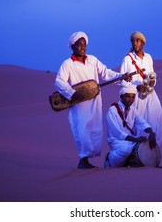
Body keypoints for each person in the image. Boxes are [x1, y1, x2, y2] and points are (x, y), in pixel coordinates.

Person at [54, 31, 131, 169]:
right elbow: (59, 82)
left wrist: (121, 76)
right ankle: (83, 160)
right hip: (78, 105)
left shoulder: (93, 60)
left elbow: (106, 73)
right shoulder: (67, 64)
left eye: (84, 45)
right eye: (79, 45)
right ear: (73, 46)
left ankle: (87, 160)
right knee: (82, 130)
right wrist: (72, 93)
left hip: (95, 101)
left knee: (95, 129)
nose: (82, 48)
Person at [120, 31, 162, 146]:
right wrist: (136, 87)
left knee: (157, 118)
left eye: (137, 40)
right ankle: (138, 154)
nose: (135, 43)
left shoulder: (148, 57)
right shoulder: (127, 59)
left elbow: (152, 74)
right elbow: (122, 81)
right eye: (133, 41)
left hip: (150, 94)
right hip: (136, 97)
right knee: (138, 124)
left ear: (142, 42)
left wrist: (153, 82)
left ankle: (155, 152)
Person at [104, 85, 157, 168]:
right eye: (127, 97)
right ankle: (110, 158)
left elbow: (142, 123)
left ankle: (130, 162)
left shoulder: (133, 110)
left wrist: (151, 132)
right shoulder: (113, 110)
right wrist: (136, 139)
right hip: (116, 140)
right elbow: (117, 132)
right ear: (121, 97)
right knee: (126, 150)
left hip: (130, 140)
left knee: (145, 145)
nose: (130, 99)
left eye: (133, 97)